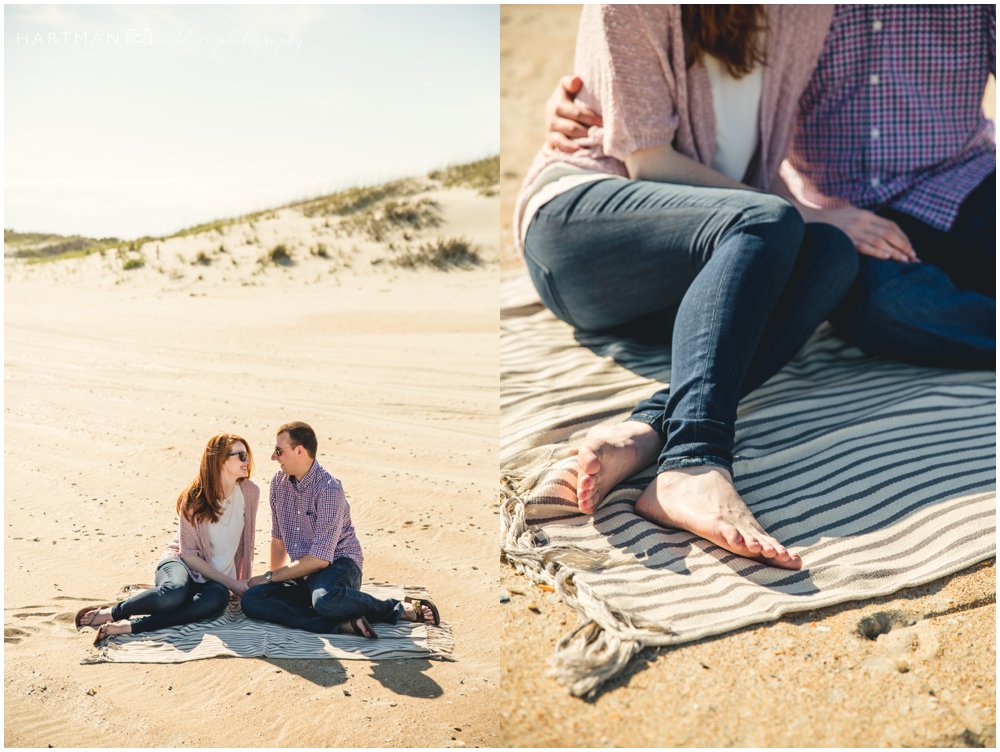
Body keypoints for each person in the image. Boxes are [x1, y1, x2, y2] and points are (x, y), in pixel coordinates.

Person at [514, 5, 859, 570]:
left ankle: (650, 428)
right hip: (578, 231)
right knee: (773, 220)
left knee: (832, 255)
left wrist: (810, 216)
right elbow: (648, 162)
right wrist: (787, 212)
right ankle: (695, 461)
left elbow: (760, 174)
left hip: (697, 258)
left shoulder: (806, 10)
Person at [547, 5, 996, 368]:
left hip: (964, 180)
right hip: (838, 210)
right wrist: (583, 96)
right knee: (880, 302)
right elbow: (685, 77)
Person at [240, 421, 438, 638]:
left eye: (279, 451)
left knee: (324, 600)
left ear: (299, 450)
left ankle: (398, 609)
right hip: (303, 572)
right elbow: (278, 540)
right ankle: (342, 624)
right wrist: (273, 581)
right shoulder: (278, 483)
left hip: (339, 565)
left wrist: (269, 577)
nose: (273, 457)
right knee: (252, 600)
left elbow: (320, 560)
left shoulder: (328, 489)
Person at [75, 434, 260, 646]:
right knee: (173, 594)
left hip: (214, 578)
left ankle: (132, 626)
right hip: (181, 561)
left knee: (216, 601)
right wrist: (231, 583)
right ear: (221, 460)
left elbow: (247, 542)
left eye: (248, 456)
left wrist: (238, 581)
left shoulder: (250, 492)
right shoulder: (195, 499)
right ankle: (115, 612)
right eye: (241, 456)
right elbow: (188, 554)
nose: (248, 462)